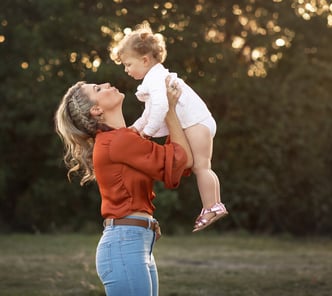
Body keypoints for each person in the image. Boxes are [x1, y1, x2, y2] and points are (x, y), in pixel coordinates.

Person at [54, 77, 193, 296]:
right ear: (96, 110)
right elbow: (179, 162)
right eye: (98, 89)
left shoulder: (124, 138)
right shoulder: (117, 142)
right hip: (125, 244)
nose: (107, 85)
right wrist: (170, 111)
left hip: (135, 242)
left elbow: (176, 164)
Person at [112, 22, 228, 232]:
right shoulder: (154, 77)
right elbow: (148, 112)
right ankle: (214, 205)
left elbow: (160, 108)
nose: (126, 70)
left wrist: (146, 133)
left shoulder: (156, 78)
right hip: (197, 122)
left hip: (196, 123)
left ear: (145, 59)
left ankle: (212, 206)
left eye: (128, 64)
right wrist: (135, 129)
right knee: (201, 166)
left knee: (201, 167)